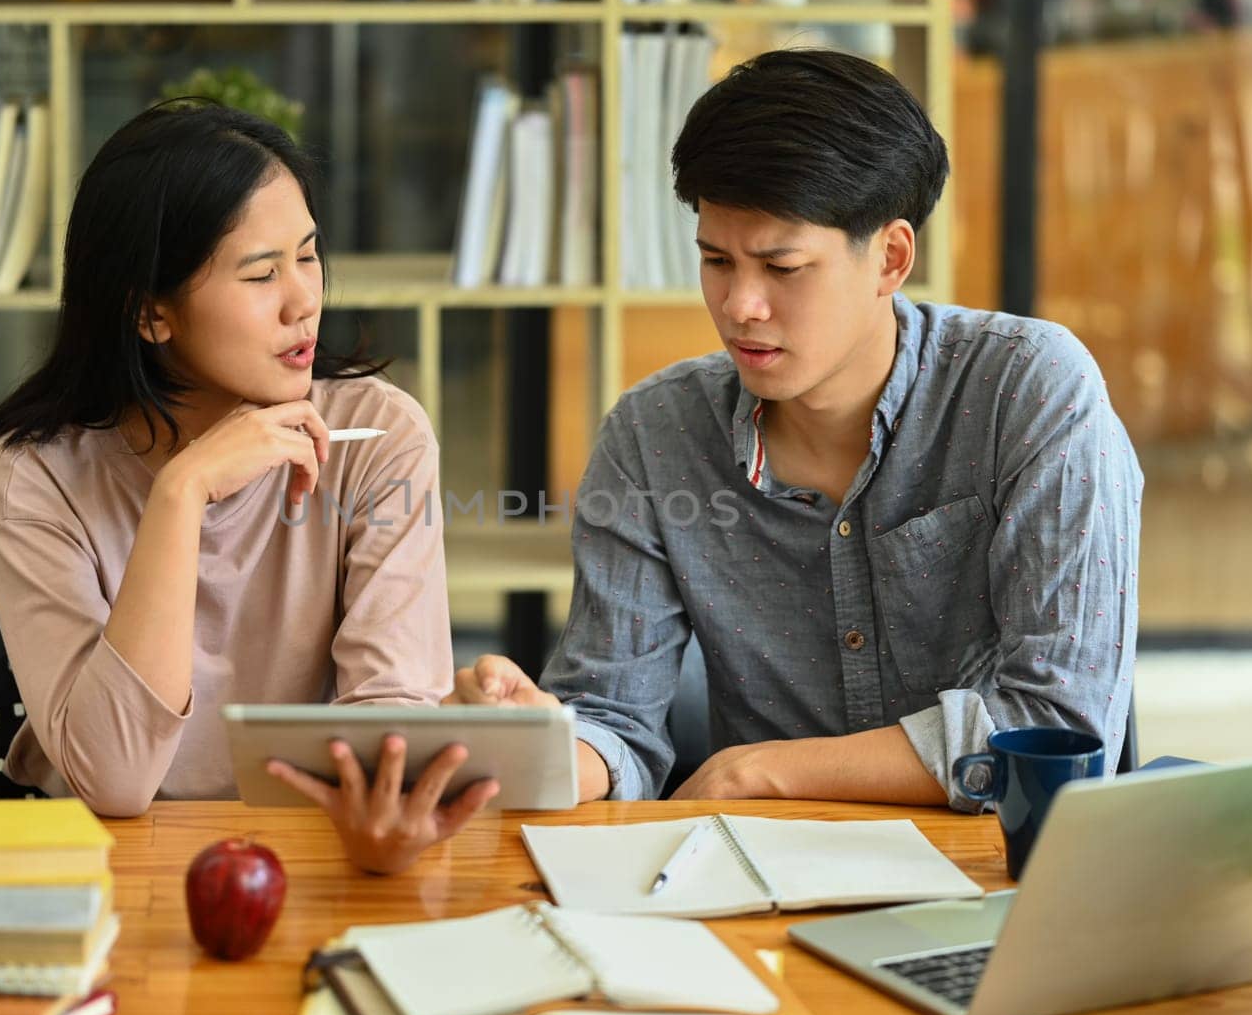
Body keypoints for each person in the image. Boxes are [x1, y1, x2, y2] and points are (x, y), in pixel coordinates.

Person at [450, 49, 1143, 809]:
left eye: (782, 268)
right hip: (757, 885)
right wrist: (542, 741)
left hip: (989, 874)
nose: (740, 304)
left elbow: (1062, 724)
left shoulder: (1029, 390)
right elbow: (617, 723)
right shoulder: (655, 435)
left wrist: (762, 769)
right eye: (716, 260)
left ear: (890, 256)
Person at [0, 101, 495, 873]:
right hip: (111, 876)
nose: (304, 300)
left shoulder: (378, 439)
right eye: (261, 273)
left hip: (313, 856)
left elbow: (389, 732)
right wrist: (182, 496)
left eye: (309, 256)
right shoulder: (35, 478)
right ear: (151, 313)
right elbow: (114, 780)